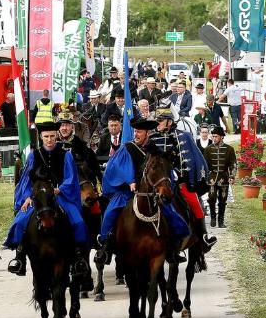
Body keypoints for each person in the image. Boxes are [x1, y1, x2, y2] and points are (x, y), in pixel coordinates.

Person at [95, 118, 190, 264]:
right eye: (135, 131)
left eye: (139, 131)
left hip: (151, 193)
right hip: (128, 191)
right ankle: (105, 245)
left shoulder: (155, 151)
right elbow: (116, 168)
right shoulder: (127, 148)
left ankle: (173, 247)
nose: (136, 134)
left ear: (147, 133)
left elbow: (163, 171)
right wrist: (130, 181)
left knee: (171, 213)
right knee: (112, 211)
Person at [5, 121, 89, 276]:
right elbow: (26, 181)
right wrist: (27, 198)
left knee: (78, 222)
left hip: (59, 196)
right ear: (41, 137)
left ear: (56, 136)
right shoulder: (33, 155)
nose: (49, 139)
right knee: (20, 221)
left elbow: (71, 178)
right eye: (46, 137)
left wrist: (60, 189)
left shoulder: (66, 155)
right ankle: (20, 256)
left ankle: (78, 256)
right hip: (37, 197)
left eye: (52, 136)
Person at [151, 109, 216, 250]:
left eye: (160, 120)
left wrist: (179, 176)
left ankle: (202, 237)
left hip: (178, 180)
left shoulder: (183, 136)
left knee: (194, 203)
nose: (158, 123)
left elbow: (190, 161)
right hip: (155, 182)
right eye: (157, 120)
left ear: (169, 121)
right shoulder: (153, 136)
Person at [202, 126, 235, 229]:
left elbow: (233, 164)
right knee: (211, 197)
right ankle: (212, 218)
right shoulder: (208, 149)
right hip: (212, 177)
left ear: (221, 137)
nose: (214, 138)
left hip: (224, 177)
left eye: (216, 136)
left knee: (222, 199)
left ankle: (221, 221)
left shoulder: (229, 149)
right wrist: (204, 177)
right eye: (213, 136)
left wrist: (232, 176)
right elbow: (204, 165)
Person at [58, 111, 102, 186]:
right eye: (62, 125)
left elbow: (94, 170)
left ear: (72, 127)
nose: (64, 128)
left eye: (67, 125)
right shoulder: (52, 145)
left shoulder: (82, 146)